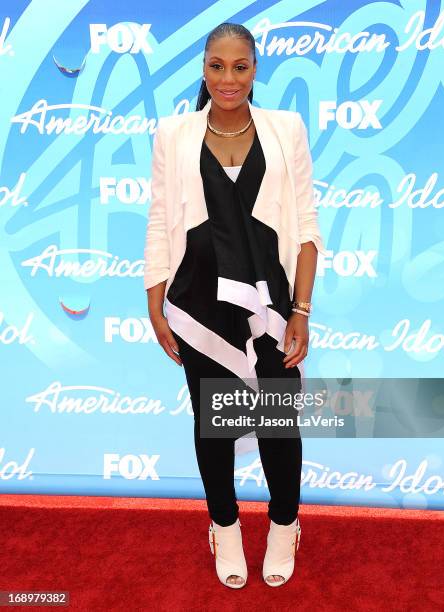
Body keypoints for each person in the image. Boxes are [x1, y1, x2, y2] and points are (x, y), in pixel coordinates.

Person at [144, 22, 326, 589]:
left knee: (277, 422)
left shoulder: (285, 129)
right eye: (217, 66)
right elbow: (157, 221)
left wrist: (301, 309)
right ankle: (224, 528)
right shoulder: (172, 134)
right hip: (197, 302)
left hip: (270, 302)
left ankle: (282, 526)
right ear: (204, 68)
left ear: (255, 70)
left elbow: (306, 228)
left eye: (240, 66)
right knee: (213, 425)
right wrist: (154, 298)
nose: (228, 78)